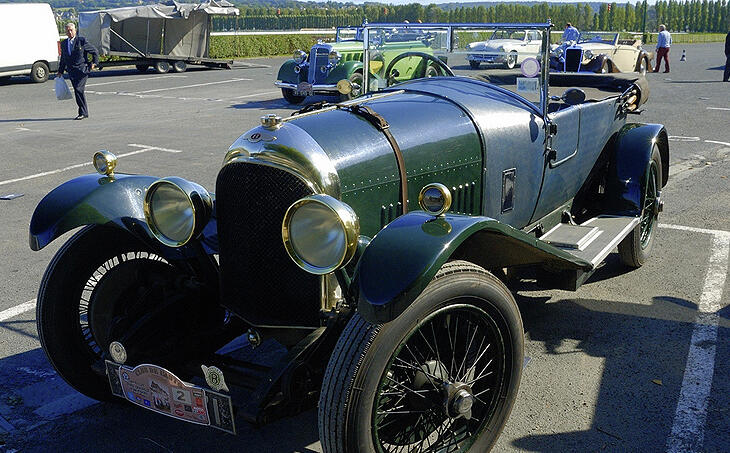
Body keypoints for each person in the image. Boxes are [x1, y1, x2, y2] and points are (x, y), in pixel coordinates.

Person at [57, 22, 98, 120]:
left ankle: (82, 112)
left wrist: (94, 63)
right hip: (72, 71)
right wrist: (60, 71)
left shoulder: (81, 41)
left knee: (79, 89)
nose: (70, 32)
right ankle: (84, 112)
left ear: (75, 30)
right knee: (77, 90)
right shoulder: (64, 44)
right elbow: (63, 59)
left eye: (71, 30)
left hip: (82, 70)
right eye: (68, 31)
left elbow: (94, 51)